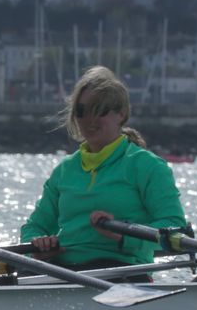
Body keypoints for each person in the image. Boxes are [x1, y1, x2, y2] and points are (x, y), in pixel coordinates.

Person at [21, 65, 187, 271]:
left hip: (123, 270)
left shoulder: (147, 166)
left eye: (99, 111)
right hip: (63, 269)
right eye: (82, 111)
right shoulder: (65, 170)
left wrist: (124, 233)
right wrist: (37, 244)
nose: (90, 120)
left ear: (121, 113)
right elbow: (35, 226)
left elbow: (174, 226)